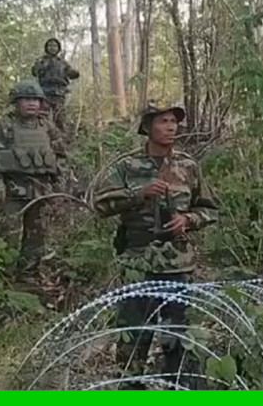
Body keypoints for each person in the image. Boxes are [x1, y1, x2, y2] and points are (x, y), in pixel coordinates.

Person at [91, 102, 219, 389]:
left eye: (174, 121)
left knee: (178, 338)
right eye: (163, 121)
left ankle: (179, 391)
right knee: (134, 337)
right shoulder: (127, 166)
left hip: (177, 266)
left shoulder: (188, 166)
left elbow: (210, 209)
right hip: (138, 264)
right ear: (147, 127)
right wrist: (138, 194)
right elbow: (100, 205)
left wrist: (189, 220)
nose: (171, 127)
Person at [0, 79, 66, 286]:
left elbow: (59, 157)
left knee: (37, 236)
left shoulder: (47, 126)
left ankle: (28, 275)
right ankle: (4, 277)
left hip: (41, 190)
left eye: (35, 99)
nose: (32, 103)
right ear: (16, 102)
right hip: (13, 190)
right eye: (26, 99)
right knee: (8, 235)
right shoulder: (5, 125)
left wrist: (59, 188)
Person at [31, 37, 80, 129]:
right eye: (50, 45)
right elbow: (34, 72)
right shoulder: (41, 60)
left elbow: (70, 73)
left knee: (60, 117)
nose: (52, 48)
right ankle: (43, 133)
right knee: (43, 116)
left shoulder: (63, 62)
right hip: (45, 92)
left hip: (59, 93)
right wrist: (42, 66)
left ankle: (61, 135)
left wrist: (74, 73)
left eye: (55, 46)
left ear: (58, 48)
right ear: (46, 47)